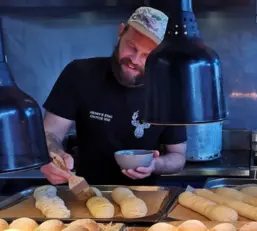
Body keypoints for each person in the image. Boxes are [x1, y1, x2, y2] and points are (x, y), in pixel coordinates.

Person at [40, 7, 187, 185]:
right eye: (132, 47)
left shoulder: (168, 91)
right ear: (120, 33)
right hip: (90, 193)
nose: (135, 60)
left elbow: (178, 156)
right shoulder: (79, 74)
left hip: (147, 199)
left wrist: (156, 164)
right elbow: (50, 133)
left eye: (147, 56)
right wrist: (53, 154)